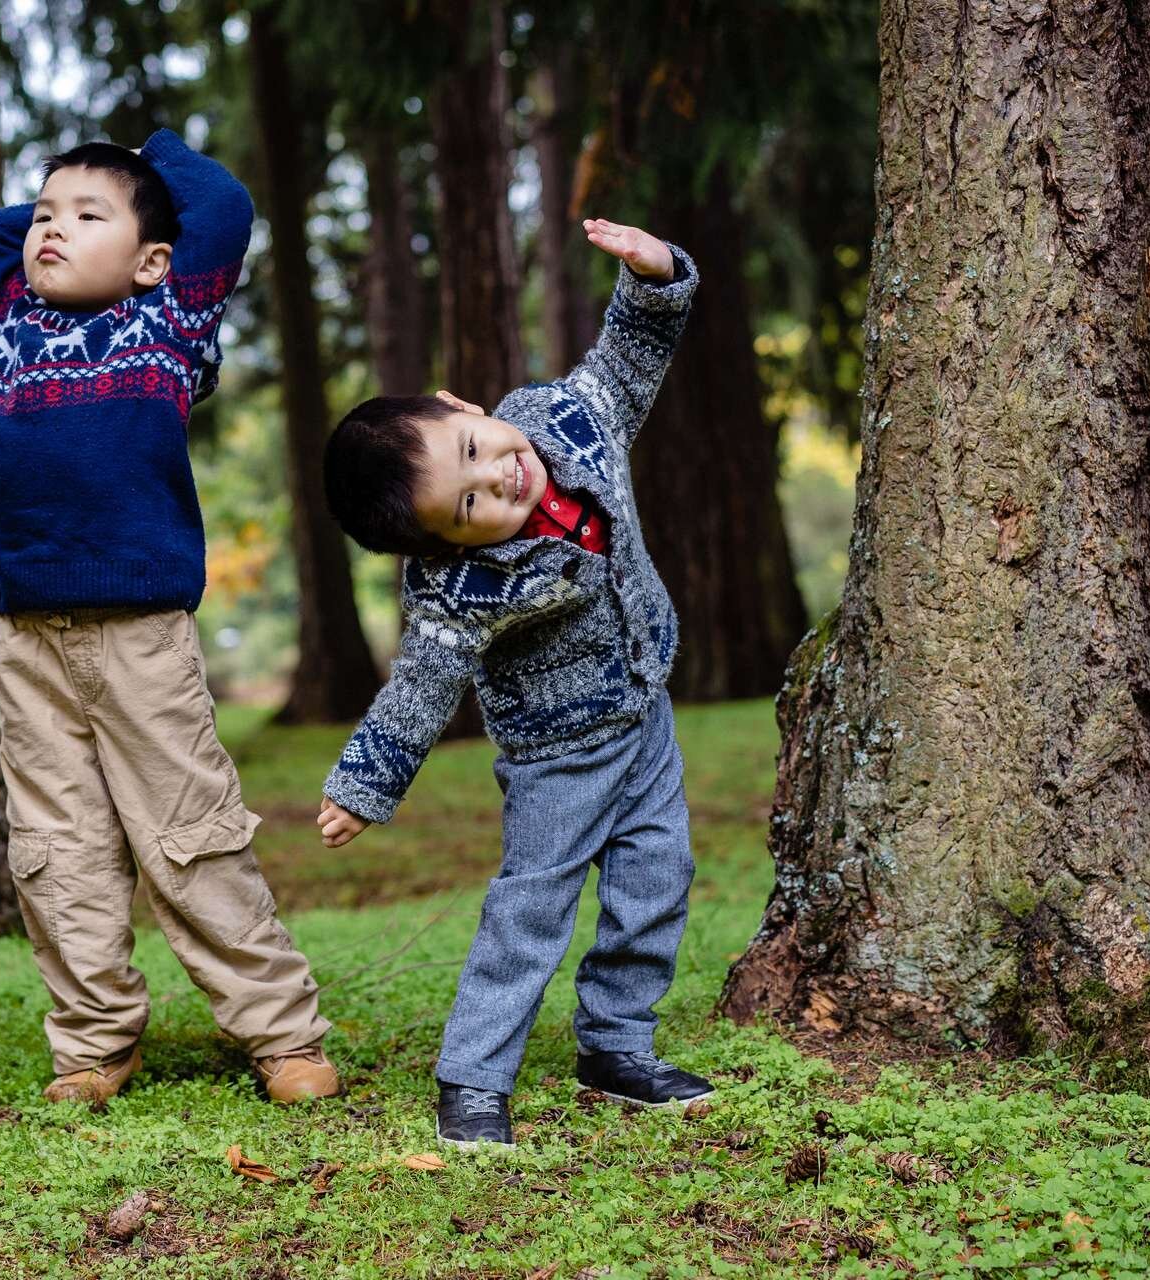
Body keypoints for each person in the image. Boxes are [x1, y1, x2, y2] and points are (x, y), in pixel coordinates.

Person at [0, 131, 338, 1107]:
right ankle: (94, 1042)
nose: (50, 230)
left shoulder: (167, 319)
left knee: (190, 832)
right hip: (25, 635)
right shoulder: (13, 316)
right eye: (45, 215)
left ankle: (281, 1032)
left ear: (152, 259)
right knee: (58, 844)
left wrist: (145, 157)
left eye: (88, 218)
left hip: (140, 634)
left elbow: (224, 206)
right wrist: (74, 200)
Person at [316, 218, 711, 1147]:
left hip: (643, 707)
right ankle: (473, 1079)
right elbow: (419, 688)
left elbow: (629, 360)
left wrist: (655, 280)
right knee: (532, 905)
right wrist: (364, 785)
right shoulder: (462, 588)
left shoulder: (561, 418)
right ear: (441, 545)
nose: (500, 479)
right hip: (555, 754)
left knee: (659, 877)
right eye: (468, 505)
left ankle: (617, 1044)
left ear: (465, 405)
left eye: (476, 449)